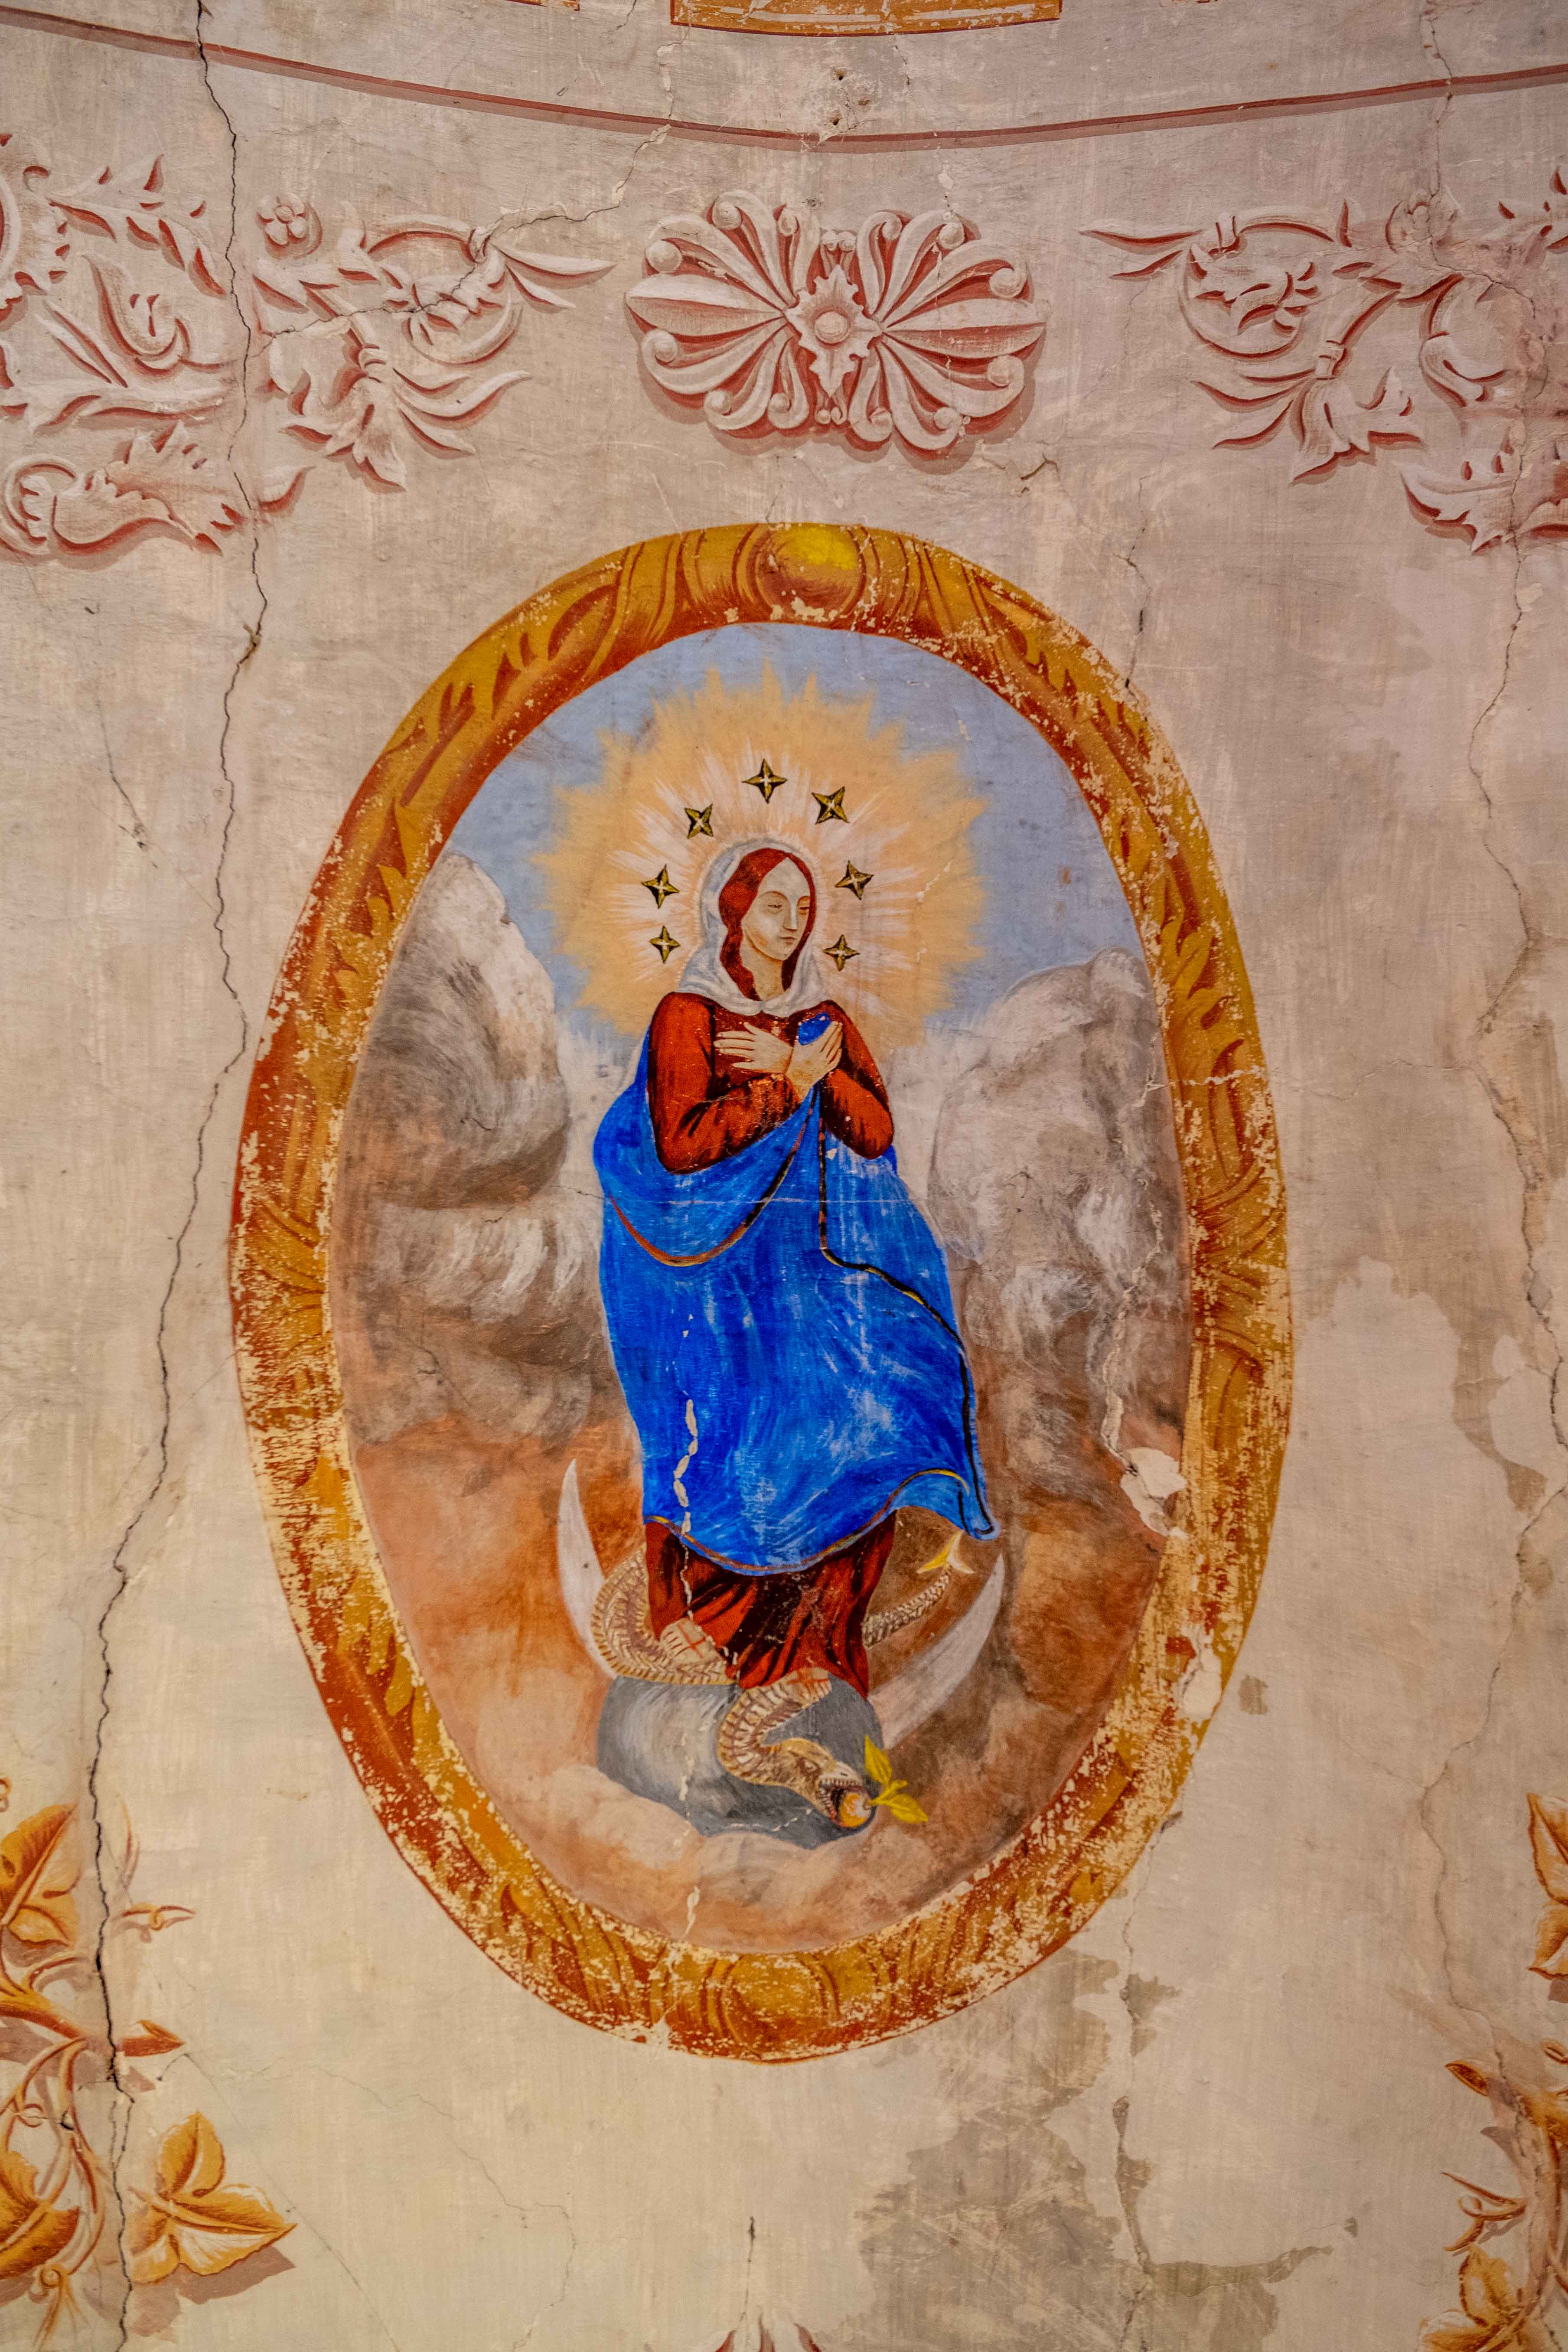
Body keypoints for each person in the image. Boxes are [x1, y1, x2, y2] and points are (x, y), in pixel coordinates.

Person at [592, 836, 993, 1704]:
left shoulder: (823, 1020)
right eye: (773, 903)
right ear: (735, 911)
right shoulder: (689, 1016)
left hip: (811, 1282)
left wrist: (801, 1069)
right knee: (736, 1457)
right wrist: (783, 1087)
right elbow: (681, 1145)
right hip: (716, 1290)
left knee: (859, 1425)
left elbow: (874, 1133)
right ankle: (727, 1654)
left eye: (803, 907)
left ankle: (822, 1658)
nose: (791, 921)